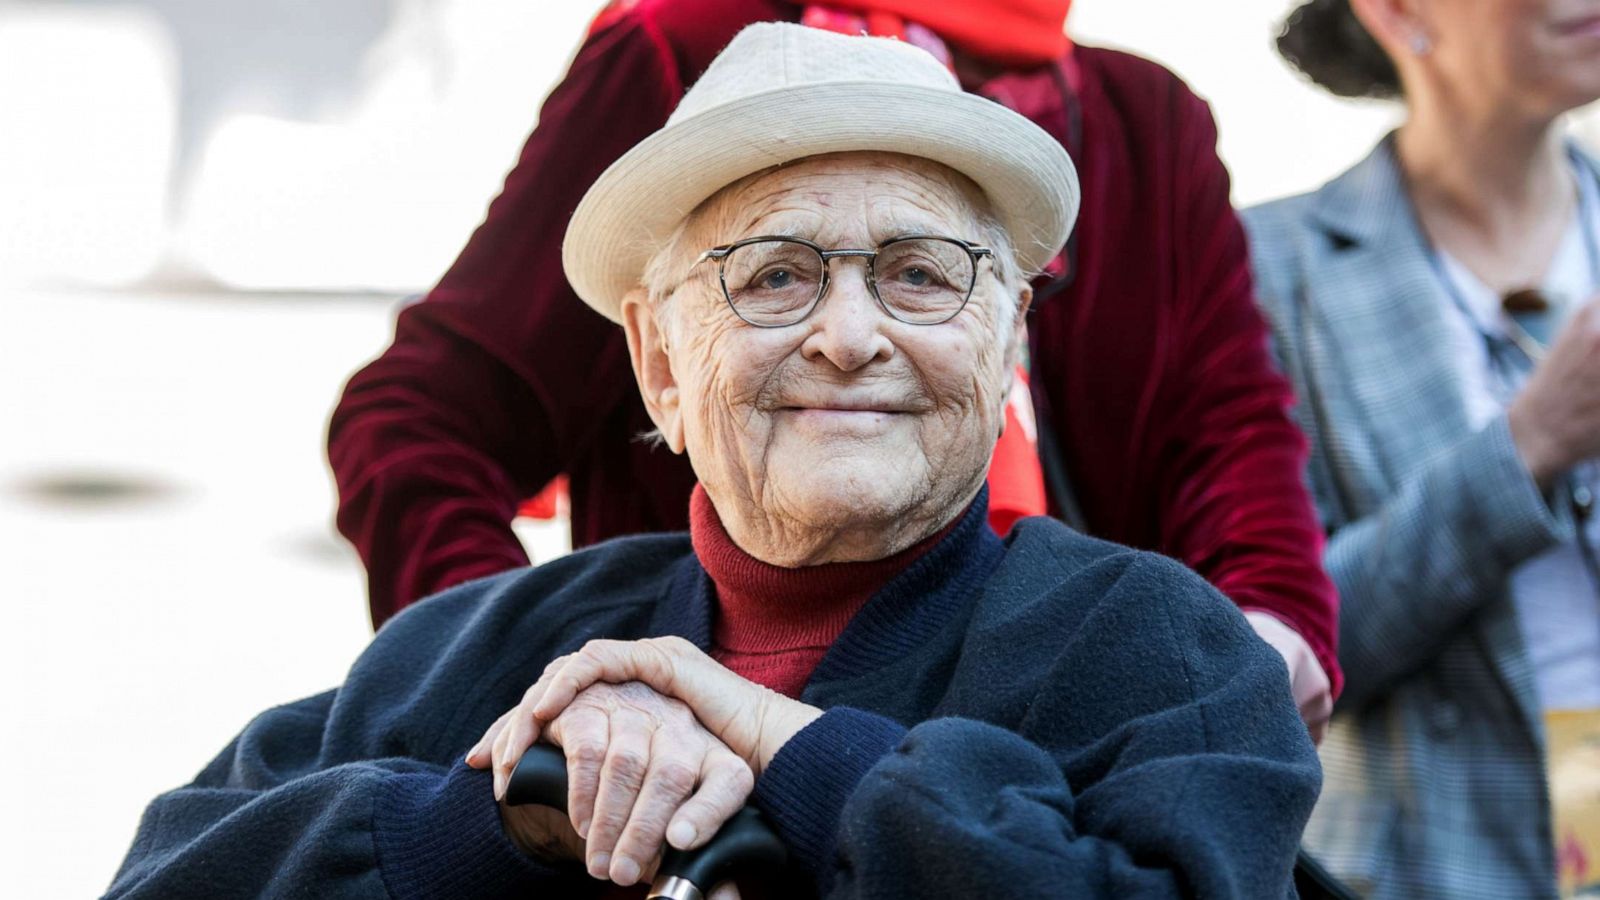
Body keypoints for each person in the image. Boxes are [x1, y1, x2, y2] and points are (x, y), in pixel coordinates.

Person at [111, 26, 1319, 899]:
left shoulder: (1155, 647)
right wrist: (518, 805)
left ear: (1006, 335)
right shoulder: (471, 660)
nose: (850, 336)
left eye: (920, 273)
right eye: (776, 274)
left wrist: (784, 747)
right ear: (659, 362)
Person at [326, 0, 1341, 736]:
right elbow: (418, 420)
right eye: (775, 275)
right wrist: (556, 688)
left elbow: (1227, 423)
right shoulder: (680, 52)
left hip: (1053, 758)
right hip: (703, 755)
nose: (851, 337)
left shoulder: (1137, 113)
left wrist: (1257, 639)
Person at [1244, 0, 1600, 896]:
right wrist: (1527, 448)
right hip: (1426, 863)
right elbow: (1276, 650)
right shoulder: (1269, 268)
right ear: (1398, 10)